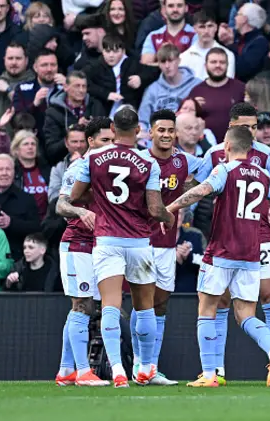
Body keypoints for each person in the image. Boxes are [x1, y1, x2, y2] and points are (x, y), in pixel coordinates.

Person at [166, 125, 270, 387]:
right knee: (246, 314)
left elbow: (201, 191)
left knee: (207, 308)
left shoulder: (225, 169)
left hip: (222, 251)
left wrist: (171, 206)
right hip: (250, 253)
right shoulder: (263, 174)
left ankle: (210, 375)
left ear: (227, 146)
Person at [69, 106, 175, 388]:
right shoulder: (147, 162)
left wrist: (102, 197)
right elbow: (154, 209)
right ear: (138, 130)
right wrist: (169, 216)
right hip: (139, 242)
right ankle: (145, 369)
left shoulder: (93, 159)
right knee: (145, 308)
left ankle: (117, 370)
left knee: (110, 306)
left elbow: (75, 196)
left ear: (113, 130)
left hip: (107, 241)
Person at [129, 109, 201, 385]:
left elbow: (208, 176)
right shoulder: (139, 160)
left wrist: (186, 192)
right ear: (150, 132)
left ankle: (150, 366)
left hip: (167, 244)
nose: (167, 135)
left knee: (160, 303)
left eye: (171, 131)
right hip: (141, 240)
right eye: (161, 130)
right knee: (143, 301)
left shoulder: (183, 161)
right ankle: (139, 363)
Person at [53, 117, 115, 387]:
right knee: (83, 305)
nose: (110, 145)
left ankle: (66, 370)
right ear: (91, 141)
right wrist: (80, 210)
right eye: (105, 140)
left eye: (113, 140)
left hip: (101, 245)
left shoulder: (114, 169)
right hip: (77, 242)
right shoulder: (79, 168)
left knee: (85, 307)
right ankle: (82, 372)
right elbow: (60, 205)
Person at [0, 153, 40, 260]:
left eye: (8, 169)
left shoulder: (26, 199)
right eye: (0, 169)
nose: (4, 173)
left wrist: (11, 223)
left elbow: (36, 228)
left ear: (14, 173)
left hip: (16, 259)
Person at [188, 47, 245, 143]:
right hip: (206, 148)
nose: (218, 65)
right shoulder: (196, 91)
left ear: (227, 65)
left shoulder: (241, 88)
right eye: (213, 62)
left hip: (237, 145)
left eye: (222, 62)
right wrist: (193, 108)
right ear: (205, 66)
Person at [179, 10, 235, 81]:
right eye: (202, 27)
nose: (206, 31)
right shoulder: (183, 58)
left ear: (216, 27)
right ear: (194, 29)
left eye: (210, 26)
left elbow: (227, 85)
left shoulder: (228, 55)